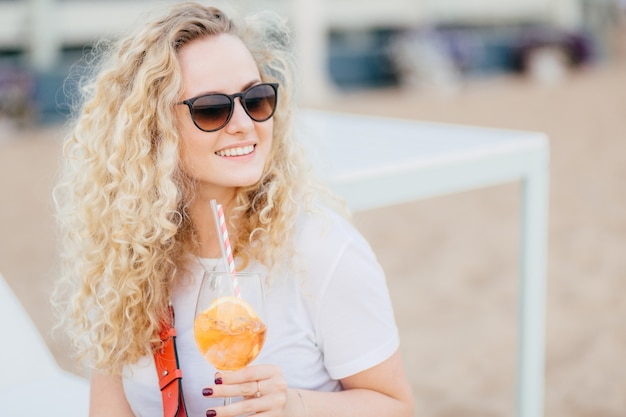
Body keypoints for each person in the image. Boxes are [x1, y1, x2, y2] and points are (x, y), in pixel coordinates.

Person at [53, 2, 414, 417]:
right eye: (212, 108)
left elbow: (396, 406)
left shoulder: (319, 249)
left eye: (256, 99)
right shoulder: (124, 255)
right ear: (154, 131)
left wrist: (292, 405)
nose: (243, 123)